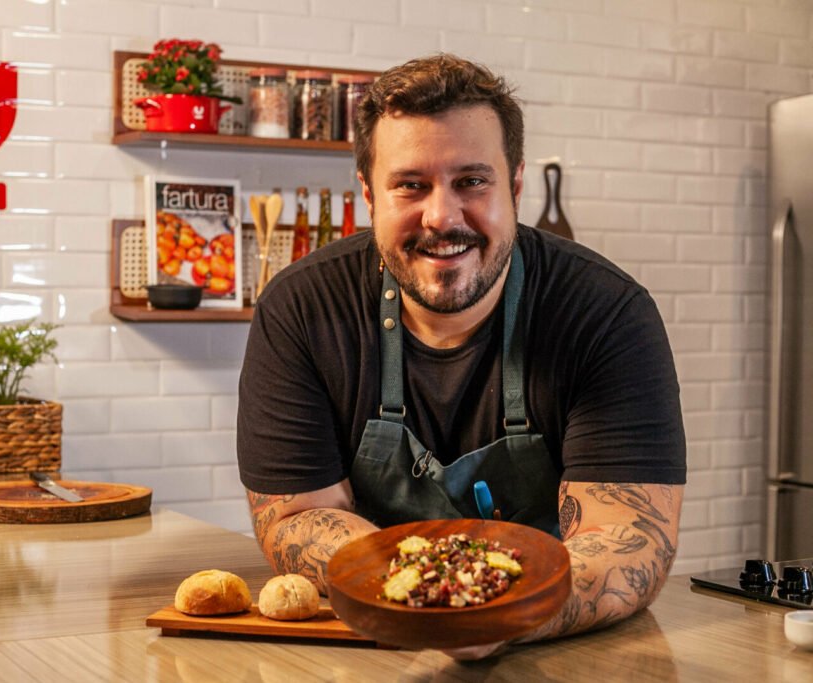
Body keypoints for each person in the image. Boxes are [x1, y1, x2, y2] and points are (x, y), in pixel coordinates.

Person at [236, 53, 685, 658]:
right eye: (411, 184)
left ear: (516, 185)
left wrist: (492, 610)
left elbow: (629, 538)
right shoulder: (302, 311)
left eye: (472, 181)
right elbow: (295, 518)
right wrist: (431, 604)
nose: (442, 217)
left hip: (565, 654)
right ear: (370, 193)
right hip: (370, 654)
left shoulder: (605, 314)